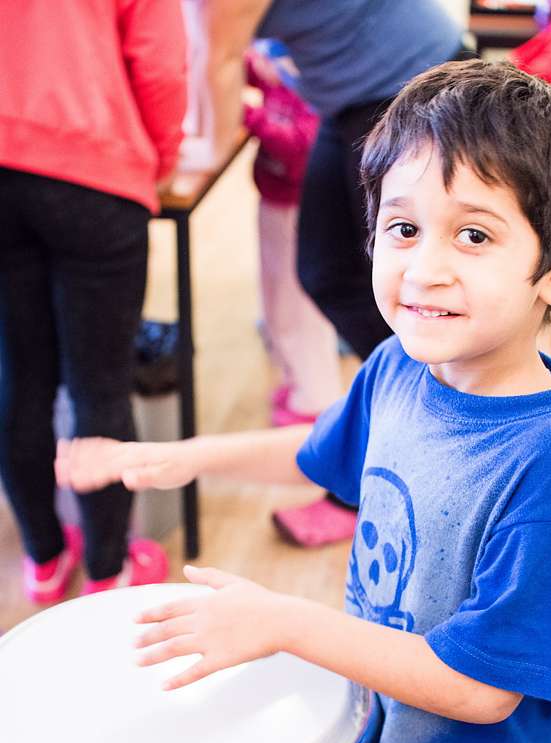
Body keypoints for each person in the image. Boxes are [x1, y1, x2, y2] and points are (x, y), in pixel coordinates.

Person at [56, 61, 551, 743]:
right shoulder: (401, 366)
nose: (423, 268)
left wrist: (282, 624)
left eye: (473, 234)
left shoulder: (546, 460)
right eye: (402, 228)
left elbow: (483, 692)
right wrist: (183, 456)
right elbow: (321, 455)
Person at [198, 0, 469, 545]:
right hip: (351, 102)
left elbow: (218, 57)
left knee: (398, 294)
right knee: (326, 273)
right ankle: (419, 422)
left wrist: (200, 152)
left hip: (410, 87)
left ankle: (414, 450)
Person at [0, 0, 187, 602]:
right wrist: (159, 158)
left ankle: (45, 561)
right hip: (95, 168)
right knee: (99, 387)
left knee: (18, 378)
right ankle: (109, 570)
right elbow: (160, 64)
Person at [243, 41, 342, 426]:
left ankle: (314, 398)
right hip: (276, 200)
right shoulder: (284, 73)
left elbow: (299, 149)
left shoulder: (313, 88)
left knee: (298, 304)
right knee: (277, 300)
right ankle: (297, 380)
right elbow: (254, 72)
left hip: (296, 207)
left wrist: (251, 118)